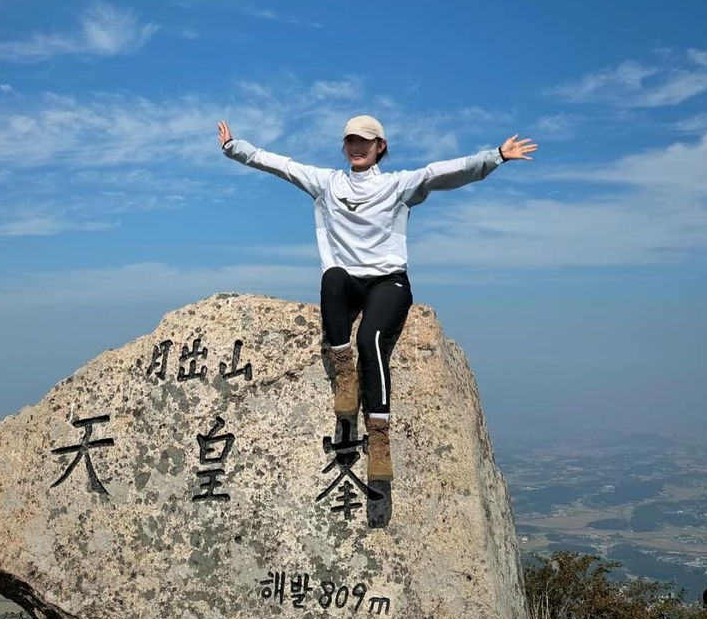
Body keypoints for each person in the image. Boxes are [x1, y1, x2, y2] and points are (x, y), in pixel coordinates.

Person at [217, 114, 537, 488]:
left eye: (365, 141)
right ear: (344, 145)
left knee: (370, 339)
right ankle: (345, 374)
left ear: (379, 146)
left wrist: (496, 156)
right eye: (351, 141)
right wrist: (234, 148)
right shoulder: (328, 183)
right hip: (350, 282)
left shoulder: (396, 185)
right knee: (331, 278)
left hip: (389, 282)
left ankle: (380, 437)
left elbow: (441, 173)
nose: (357, 147)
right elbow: (279, 164)